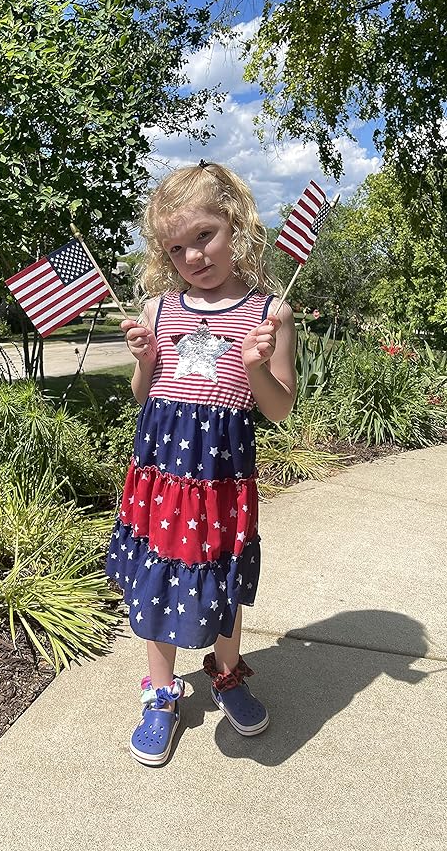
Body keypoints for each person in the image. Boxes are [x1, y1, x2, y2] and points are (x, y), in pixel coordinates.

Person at [107, 161, 297, 766]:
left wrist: (255, 367)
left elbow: (280, 409)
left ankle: (227, 672)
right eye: (177, 247)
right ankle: (161, 692)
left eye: (204, 236)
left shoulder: (270, 313)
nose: (193, 255)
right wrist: (142, 358)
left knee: (221, 581)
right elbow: (146, 394)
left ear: (235, 225)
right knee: (158, 578)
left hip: (220, 478)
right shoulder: (160, 310)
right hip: (163, 472)